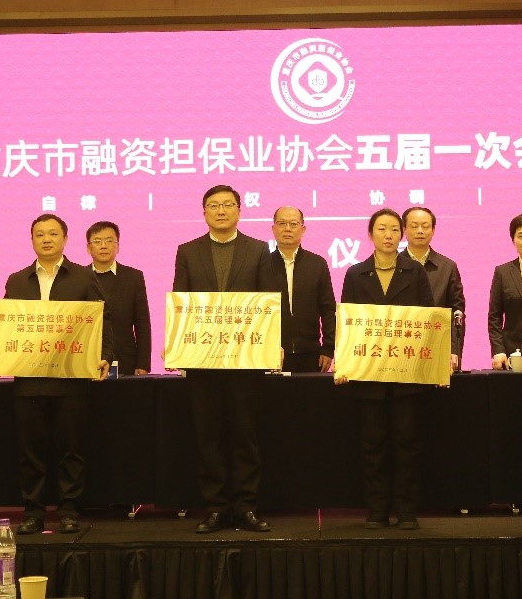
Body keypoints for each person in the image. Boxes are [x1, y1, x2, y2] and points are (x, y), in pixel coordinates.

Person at [0, 214, 112, 535]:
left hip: (71, 378)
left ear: (65, 239)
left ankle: (69, 509)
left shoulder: (83, 277)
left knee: (72, 448)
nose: (46, 239)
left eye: (53, 234)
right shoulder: (17, 280)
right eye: (39, 234)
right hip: (29, 381)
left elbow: (102, 320)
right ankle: (33, 512)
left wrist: (105, 355)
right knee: (31, 451)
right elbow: (5, 322)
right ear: (32, 240)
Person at [172, 184, 272, 534]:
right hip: (203, 359)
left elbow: (268, 303)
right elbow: (181, 302)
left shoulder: (259, 250)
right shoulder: (187, 251)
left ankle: (245, 507)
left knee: (245, 435)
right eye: (213, 205)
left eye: (228, 205)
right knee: (209, 436)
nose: (221, 211)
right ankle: (216, 508)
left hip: (246, 360)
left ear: (239, 211)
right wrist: (177, 346)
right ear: (204, 212)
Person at [337, 208, 441, 530]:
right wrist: (344, 362)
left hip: (407, 373)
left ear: (402, 234)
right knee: (373, 444)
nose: (388, 235)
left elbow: (428, 319)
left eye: (394, 229)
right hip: (369, 374)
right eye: (382, 229)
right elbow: (347, 323)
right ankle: (377, 510)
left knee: (407, 443)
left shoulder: (415, 272)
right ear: (370, 234)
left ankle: (407, 510)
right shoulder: (356, 274)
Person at [266, 206, 337, 373]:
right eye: (281, 223)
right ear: (273, 229)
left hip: (311, 353)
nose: (287, 228)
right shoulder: (263, 264)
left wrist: (328, 348)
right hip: (272, 353)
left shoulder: (317, 264)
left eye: (293, 224)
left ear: (303, 229)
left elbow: (328, 309)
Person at [400, 207, 466, 371]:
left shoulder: (447, 267)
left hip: (437, 347)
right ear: (404, 230)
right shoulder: (394, 265)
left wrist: (453, 350)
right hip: (399, 346)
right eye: (414, 226)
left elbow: (456, 312)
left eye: (425, 226)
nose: (420, 231)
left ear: (433, 230)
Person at [85, 221, 151, 376]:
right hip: (88, 359)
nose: (103, 246)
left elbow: (142, 323)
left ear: (118, 246)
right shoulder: (79, 277)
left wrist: (143, 363)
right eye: (97, 241)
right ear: (88, 248)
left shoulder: (133, 277)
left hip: (126, 360)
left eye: (109, 241)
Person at [487, 213, 522, 369]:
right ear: (513, 240)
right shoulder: (503, 272)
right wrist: (498, 351)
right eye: (521, 236)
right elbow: (494, 317)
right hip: (513, 353)